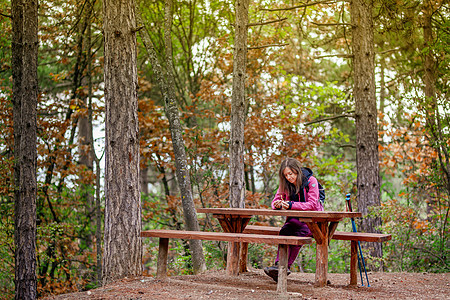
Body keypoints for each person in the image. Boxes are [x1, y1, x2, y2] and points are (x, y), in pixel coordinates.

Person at [263, 157, 324, 281]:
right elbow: (275, 201)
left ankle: (284, 268)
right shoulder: (285, 185)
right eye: (286, 175)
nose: (289, 177)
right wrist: (277, 204)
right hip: (295, 219)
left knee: (299, 234)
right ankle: (278, 265)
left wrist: (291, 205)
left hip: (313, 220)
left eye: (290, 174)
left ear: (297, 171)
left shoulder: (311, 181)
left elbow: (312, 205)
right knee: (285, 231)